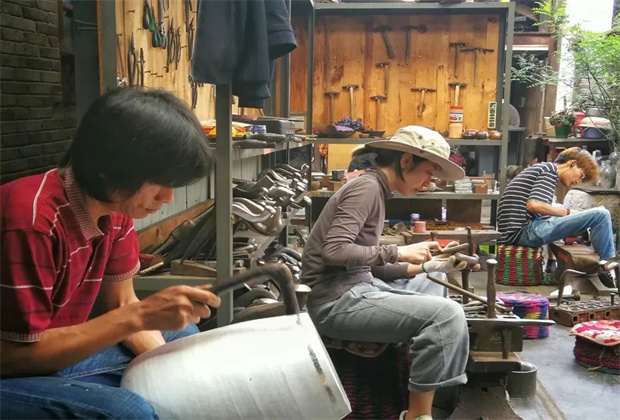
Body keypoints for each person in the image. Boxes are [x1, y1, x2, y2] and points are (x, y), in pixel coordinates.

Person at [1, 88, 221, 419]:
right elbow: (11, 356)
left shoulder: (115, 212)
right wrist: (139, 316)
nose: (167, 197)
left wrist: (177, 378)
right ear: (111, 166)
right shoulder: (32, 222)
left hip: (45, 355)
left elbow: (122, 303)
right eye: (158, 181)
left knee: (182, 337)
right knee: (128, 411)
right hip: (12, 364)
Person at [301, 126, 478, 420]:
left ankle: (418, 374)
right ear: (406, 161)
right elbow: (335, 252)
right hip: (334, 301)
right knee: (446, 315)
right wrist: (399, 251)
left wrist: (430, 265)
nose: (429, 183)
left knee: (434, 280)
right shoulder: (366, 189)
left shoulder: (376, 189)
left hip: (356, 285)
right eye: (428, 172)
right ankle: (418, 415)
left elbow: (366, 265)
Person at [497, 147, 618, 268]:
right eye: (581, 176)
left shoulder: (543, 168)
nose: (577, 182)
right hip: (522, 232)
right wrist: (568, 213)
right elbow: (534, 205)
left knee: (561, 208)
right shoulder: (549, 170)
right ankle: (607, 265)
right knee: (601, 214)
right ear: (572, 164)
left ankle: (595, 258)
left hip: (515, 231)